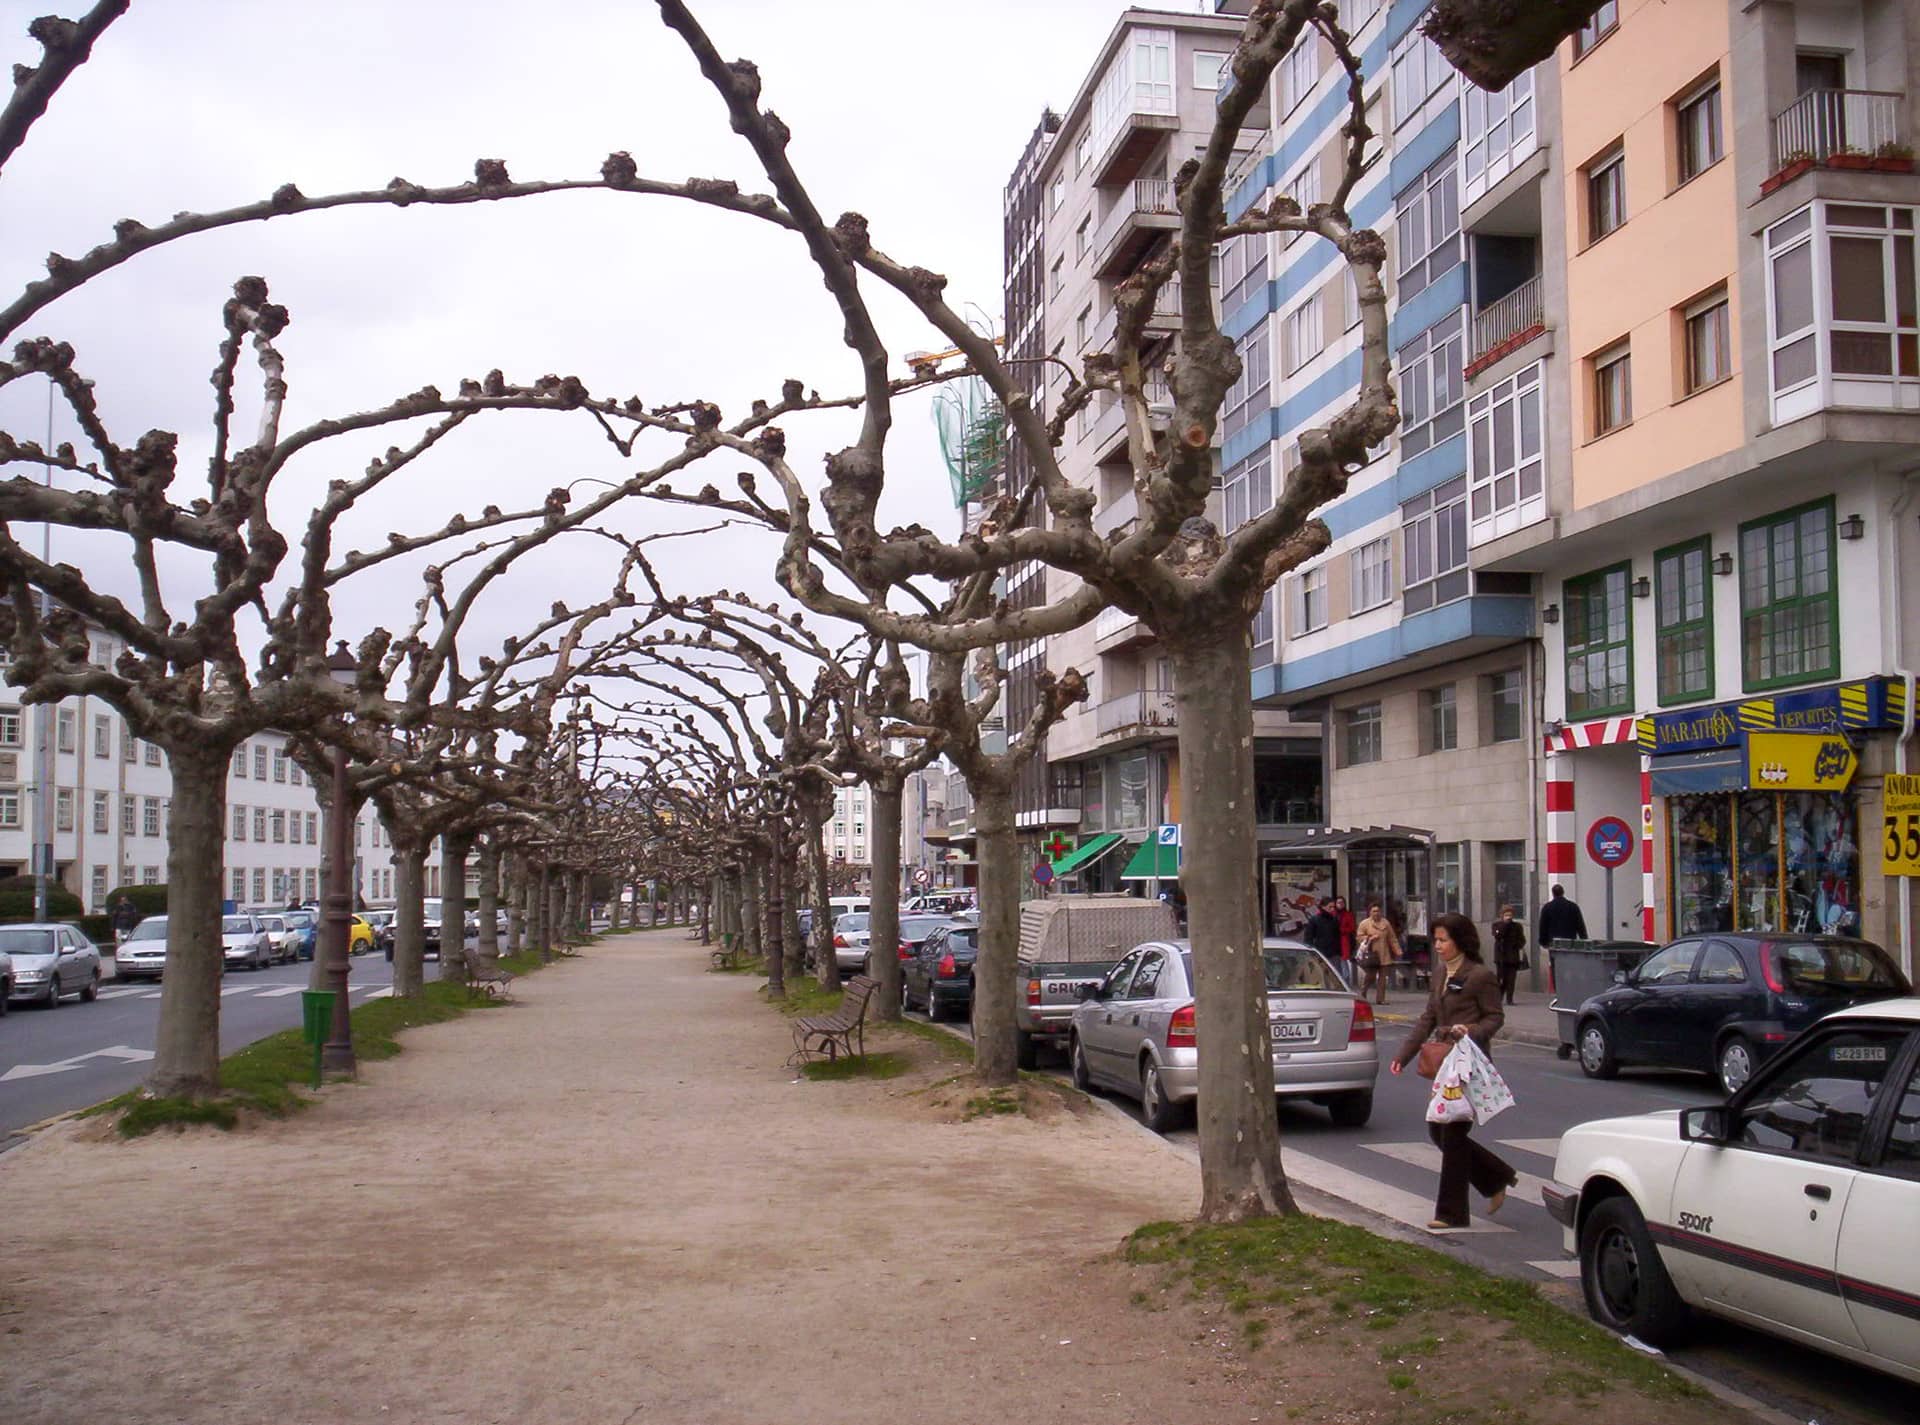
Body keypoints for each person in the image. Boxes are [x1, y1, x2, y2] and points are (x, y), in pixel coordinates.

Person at [1389, 912, 1517, 1231]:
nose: (1438, 945)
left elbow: (1494, 1017)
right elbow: (1428, 1017)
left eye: (1443, 940)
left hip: (1468, 1064)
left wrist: (1469, 1030)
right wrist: (1403, 1055)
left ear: (1460, 940)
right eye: (1436, 940)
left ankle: (1451, 1213)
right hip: (1444, 1064)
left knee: (1454, 1133)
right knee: (1439, 1131)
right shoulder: (1439, 974)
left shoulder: (1480, 975)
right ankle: (1497, 1177)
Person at [1355, 902, 1400, 1005]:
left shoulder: (1386, 923)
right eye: (1374, 911)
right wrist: (1369, 937)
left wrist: (1397, 950)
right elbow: (1359, 937)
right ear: (1370, 912)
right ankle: (1363, 993)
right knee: (1370, 976)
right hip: (1371, 955)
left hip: (1384, 954)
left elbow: (1392, 938)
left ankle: (1380, 999)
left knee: (1382, 978)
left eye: (1378, 911)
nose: (1376, 913)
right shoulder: (1364, 923)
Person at [1492, 904, 1526, 1005]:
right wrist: (1505, 925)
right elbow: (1497, 935)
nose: (1509, 917)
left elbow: (1522, 939)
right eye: (1506, 915)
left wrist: (1517, 945)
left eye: (1510, 915)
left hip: (1512, 955)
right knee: (1501, 978)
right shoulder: (1497, 925)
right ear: (1502, 915)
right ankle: (1499, 997)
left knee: (1511, 978)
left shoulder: (1517, 926)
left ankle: (1509, 998)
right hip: (1501, 956)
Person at [1302, 897, 1341, 967]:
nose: (1332, 909)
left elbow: (1337, 936)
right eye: (1330, 907)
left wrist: (1338, 951)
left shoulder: (1334, 920)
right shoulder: (1314, 920)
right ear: (1323, 907)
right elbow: (1308, 938)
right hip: (1320, 953)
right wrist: (1311, 952)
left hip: (1333, 954)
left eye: (1333, 907)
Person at [1334, 896, 1357, 984]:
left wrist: (1342, 930)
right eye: (1338, 903)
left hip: (1344, 941)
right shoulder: (1333, 914)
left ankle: (1346, 983)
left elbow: (1352, 928)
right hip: (1334, 941)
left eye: (1342, 903)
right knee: (1335, 963)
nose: (1340, 904)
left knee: (1344, 964)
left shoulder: (1348, 914)